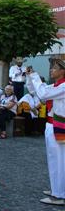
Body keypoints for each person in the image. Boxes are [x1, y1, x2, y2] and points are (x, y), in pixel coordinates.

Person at [26, 59, 65, 206]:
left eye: (55, 68)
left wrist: (35, 76)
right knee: (55, 160)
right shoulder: (55, 85)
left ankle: (60, 194)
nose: (51, 70)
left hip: (58, 126)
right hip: (52, 125)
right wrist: (30, 77)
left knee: (59, 161)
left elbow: (42, 94)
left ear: (63, 71)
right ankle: (57, 189)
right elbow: (35, 91)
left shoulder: (63, 86)